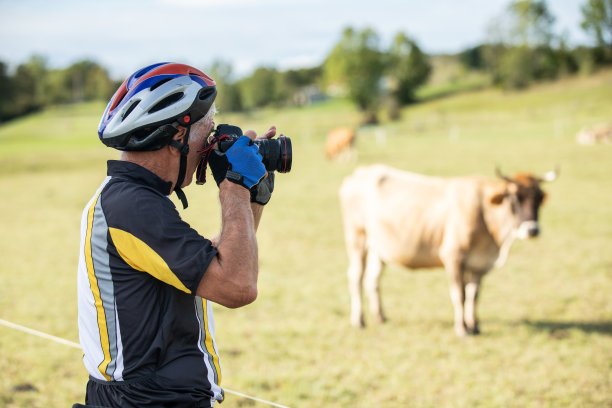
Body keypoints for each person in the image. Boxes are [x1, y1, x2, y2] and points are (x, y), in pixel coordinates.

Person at [76, 62, 278, 407]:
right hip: (150, 402)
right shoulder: (133, 207)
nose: (211, 145)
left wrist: (252, 197)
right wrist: (235, 186)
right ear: (177, 136)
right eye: (208, 132)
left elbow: (213, 267)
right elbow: (237, 285)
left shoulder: (128, 198)